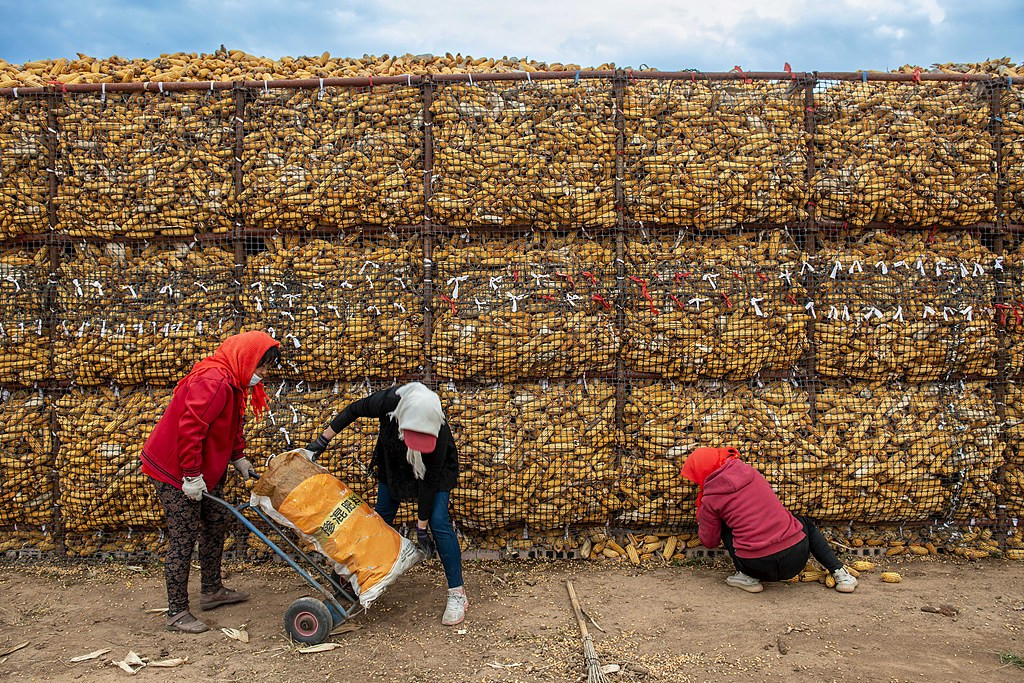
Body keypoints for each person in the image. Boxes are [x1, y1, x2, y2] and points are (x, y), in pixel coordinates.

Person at [141, 330, 282, 633]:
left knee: (216, 520)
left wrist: (239, 457)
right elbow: (190, 430)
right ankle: (177, 612)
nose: (263, 374)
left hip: (203, 468)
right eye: (262, 366)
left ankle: (211, 589)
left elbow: (231, 423)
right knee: (184, 534)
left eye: (267, 367)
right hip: (175, 468)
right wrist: (191, 477)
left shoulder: (235, 383)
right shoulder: (214, 382)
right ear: (246, 359)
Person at [305, 381, 467, 626]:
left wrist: (421, 528)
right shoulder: (389, 401)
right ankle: (356, 576)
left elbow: (429, 482)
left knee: (438, 520)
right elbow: (352, 411)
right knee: (380, 519)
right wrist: (322, 441)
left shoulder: (438, 432)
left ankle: (457, 594)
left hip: (433, 471)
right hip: (394, 460)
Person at [680, 447, 857, 594]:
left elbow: (709, 542)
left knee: (725, 526)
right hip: (796, 559)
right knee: (804, 523)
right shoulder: (751, 473)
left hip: (755, 565)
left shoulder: (710, 498)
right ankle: (840, 574)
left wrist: (705, 514)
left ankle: (746, 577)